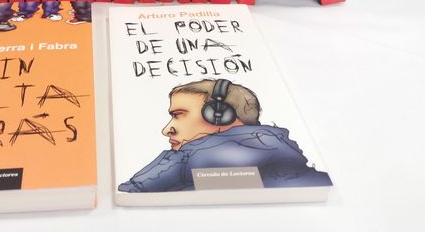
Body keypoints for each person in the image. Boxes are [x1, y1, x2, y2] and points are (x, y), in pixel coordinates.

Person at [118, 79, 331, 192]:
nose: (167, 130)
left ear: (219, 116)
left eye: (179, 115)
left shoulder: (167, 181)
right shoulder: (312, 180)